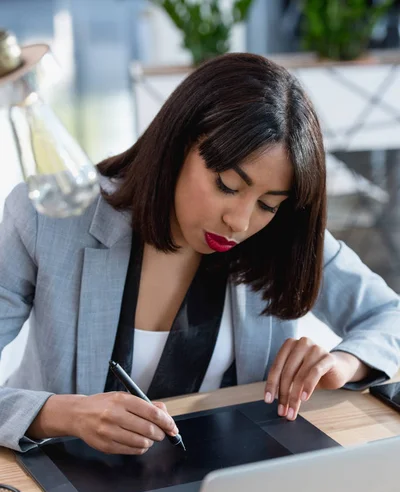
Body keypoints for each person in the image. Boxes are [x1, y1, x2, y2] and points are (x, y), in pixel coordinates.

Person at [0, 52, 399, 454]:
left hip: (227, 486)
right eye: (227, 185)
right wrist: (63, 415)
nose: (240, 221)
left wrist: (343, 363)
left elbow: (390, 315)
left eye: (268, 203)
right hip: (64, 482)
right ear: (177, 146)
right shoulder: (46, 221)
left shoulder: (279, 238)